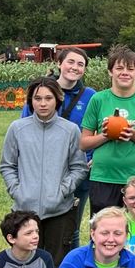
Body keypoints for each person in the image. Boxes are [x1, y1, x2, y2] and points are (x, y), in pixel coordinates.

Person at [0, 76, 89, 266]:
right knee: (25, 260)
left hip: (59, 211)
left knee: (56, 264)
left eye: (48, 98)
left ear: (57, 99)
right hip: (25, 209)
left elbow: (79, 167)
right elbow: (7, 165)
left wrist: (63, 190)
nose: (42, 103)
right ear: (30, 101)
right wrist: (17, 190)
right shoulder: (17, 129)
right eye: (37, 98)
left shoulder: (70, 130)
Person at [22, 46, 96, 251]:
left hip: (77, 172)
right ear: (59, 64)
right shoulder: (41, 91)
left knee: (70, 228)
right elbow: (25, 129)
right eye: (70, 62)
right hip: (43, 171)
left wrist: (94, 156)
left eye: (80, 64)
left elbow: (101, 128)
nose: (74, 67)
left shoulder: (90, 96)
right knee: (37, 225)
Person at [80, 45, 135, 211]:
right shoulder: (98, 99)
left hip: (134, 179)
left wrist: (132, 134)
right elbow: (84, 143)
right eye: (119, 68)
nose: (125, 72)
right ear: (110, 72)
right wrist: (106, 135)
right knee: (104, 231)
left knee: (134, 230)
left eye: (130, 69)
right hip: (103, 177)